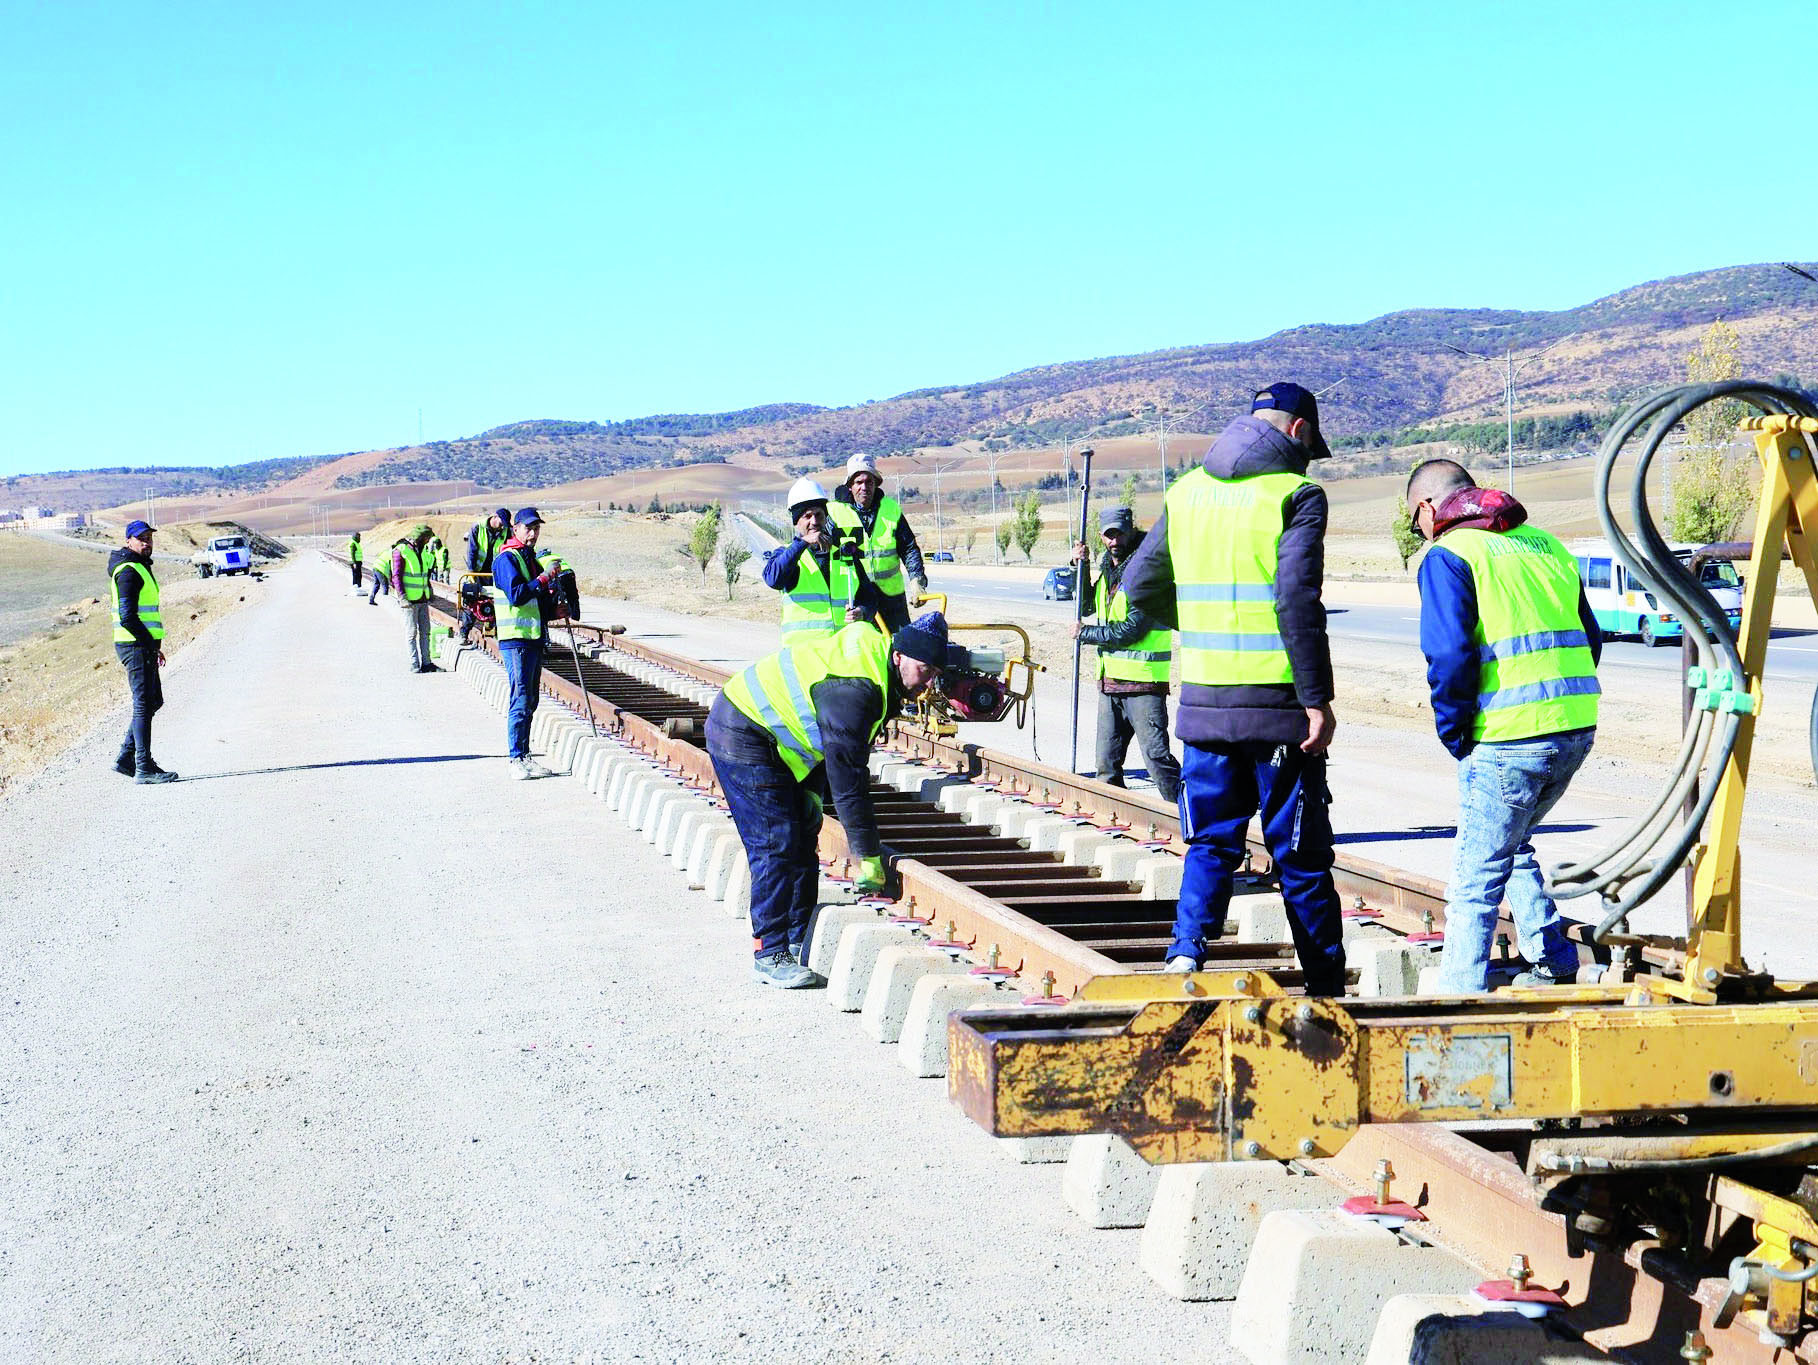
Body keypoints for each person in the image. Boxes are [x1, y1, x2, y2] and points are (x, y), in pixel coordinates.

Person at [1121, 382, 1345, 994]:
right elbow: (1296, 600)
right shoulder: (1296, 495)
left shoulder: (1187, 491)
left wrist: (1196, 619)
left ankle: (1185, 958)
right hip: (1277, 711)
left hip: (1203, 708)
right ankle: (1326, 987)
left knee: (1210, 845)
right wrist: (1315, 699)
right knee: (1299, 855)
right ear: (1298, 431)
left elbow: (1139, 584)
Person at [1405, 459, 1602, 992]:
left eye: (1414, 520)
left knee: (1475, 878)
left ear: (1428, 507)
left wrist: (1455, 730)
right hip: (1575, 727)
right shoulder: (1547, 545)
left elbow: (1448, 655)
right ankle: (1554, 957)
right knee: (1511, 843)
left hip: (1508, 734)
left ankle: (1460, 998)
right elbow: (1591, 636)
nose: (1419, 530)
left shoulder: (1449, 555)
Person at [706, 613, 949, 988]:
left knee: (804, 831)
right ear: (899, 655)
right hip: (742, 730)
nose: (928, 681)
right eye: (924, 669)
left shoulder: (876, 665)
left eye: (934, 672)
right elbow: (848, 777)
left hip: (774, 741)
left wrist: (812, 799)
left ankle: (797, 934)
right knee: (777, 841)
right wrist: (867, 854)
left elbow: (825, 741)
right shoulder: (857, 689)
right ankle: (769, 952)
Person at [1070, 505, 1181, 802]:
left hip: (1144, 685)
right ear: (1102, 538)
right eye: (1109, 535)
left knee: (1157, 760)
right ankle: (1117, 816)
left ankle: (1189, 817)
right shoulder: (1109, 568)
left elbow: (1132, 630)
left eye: (1120, 533)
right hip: (1110, 684)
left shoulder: (1147, 570)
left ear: (1131, 530)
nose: (1115, 540)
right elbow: (1085, 607)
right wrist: (1079, 568)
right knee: (1106, 766)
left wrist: (1086, 634)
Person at [490, 508, 564, 779]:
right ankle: (516, 759)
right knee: (520, 699)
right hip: (516, 641)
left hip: (531, 639)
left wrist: (554, 612)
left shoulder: (527, 558)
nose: (533, 533)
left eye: (536, 529)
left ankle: (524, 755)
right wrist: (544, 578)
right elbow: (518, 595)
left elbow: (534, 600)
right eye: (528, 528)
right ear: (516, 529)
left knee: (530, 700)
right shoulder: (506, 559)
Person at [763, 477, 883, 644]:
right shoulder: (787, 554)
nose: (814, 522)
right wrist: (803, 542)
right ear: (796, 521)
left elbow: (869, 597)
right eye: (807, 516)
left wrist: (862, 612)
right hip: (803, 656)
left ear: (826, 517)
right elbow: (773, 579)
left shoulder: (845, 553)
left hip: (842, 653)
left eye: (818, 515)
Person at [108, 519, 177, 784]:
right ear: (129, 541)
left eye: (149, 537)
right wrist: (149, 644)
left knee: (153, 701)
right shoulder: (128, 571)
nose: (147, 542)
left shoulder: (139, 566)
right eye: (141, 538)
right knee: (143, 703)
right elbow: (127, 616)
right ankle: (143, 767)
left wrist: (152, 646)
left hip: (142, 645)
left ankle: (127, 757)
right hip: (134, 646)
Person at [830, 453, 928, 633]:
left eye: (869, 482)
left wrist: (917, 580)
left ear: (875, 483)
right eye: (858, 482)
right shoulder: (833, 513)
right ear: (850, 486)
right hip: (854, 599)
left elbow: (908, 548)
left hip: (891, 599)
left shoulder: (890, 509)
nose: (864, 487)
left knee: (898, 651)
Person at [391, 524, 437, 673]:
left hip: (422, 599)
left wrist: (429, 589)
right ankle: (414, 664)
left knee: (425, 632)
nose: (428, 541)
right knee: (411, 633)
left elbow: (424, 574)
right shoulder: (401, 551)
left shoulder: (422, 551)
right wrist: (402, 597)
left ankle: (427, 663)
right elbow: (396, 576)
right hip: (409, 602)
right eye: (427, 538)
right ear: (420, 537)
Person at [467, 507, 510, 575]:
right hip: (478, 570)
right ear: (495, 517)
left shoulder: (506, 531)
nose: (502, 527)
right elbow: (472, 550)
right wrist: (471, 570)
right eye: (501, 523)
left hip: (495, 571)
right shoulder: (477, 527)